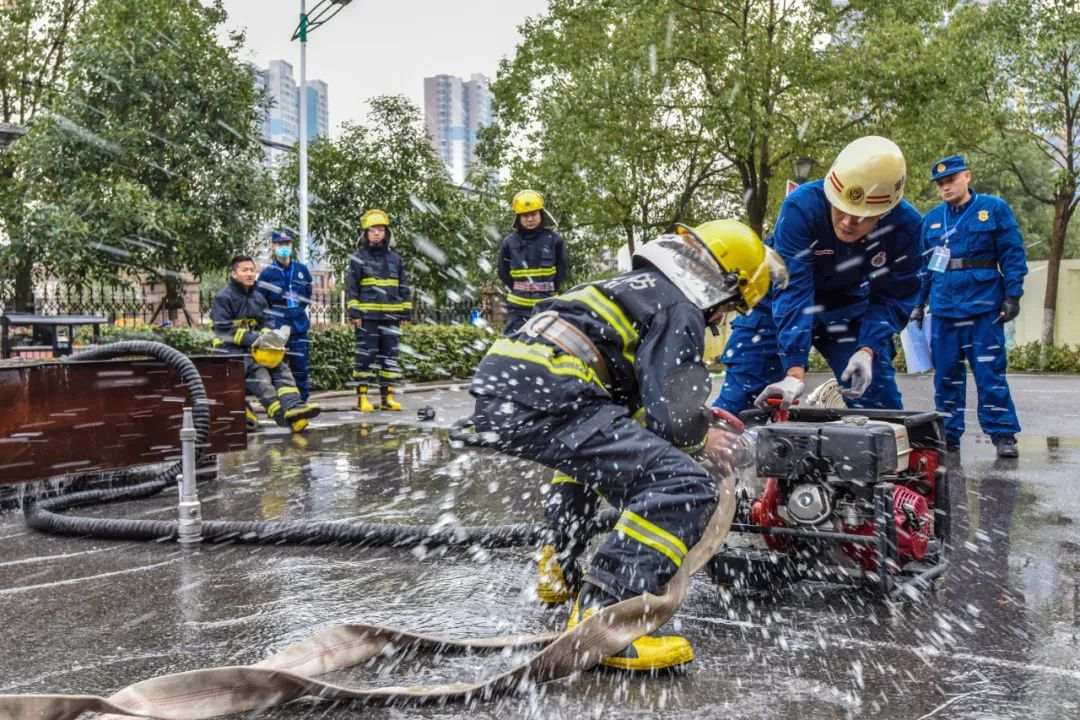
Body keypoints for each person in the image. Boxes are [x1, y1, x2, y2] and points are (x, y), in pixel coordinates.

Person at [471, 219, 787, 671]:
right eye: (731, 305)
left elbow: (632, 406)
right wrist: (705, 438)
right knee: (684, 485)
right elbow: (674, 418)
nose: (721, 317)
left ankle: (558, 564)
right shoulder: (680, 306)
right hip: (552, 390)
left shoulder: (637, 287)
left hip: (510, 385)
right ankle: (603, 623)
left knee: (590, 459)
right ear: (722, 280)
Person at [714, 135, 924, 413]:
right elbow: (793, 288)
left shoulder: (906, 228)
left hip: (846, 310)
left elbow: (894, 297)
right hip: (775, 303)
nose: (849, 222)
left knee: (879, 402)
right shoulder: (801, 208)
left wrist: (867, 348)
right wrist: (794, 372)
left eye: (863, 216)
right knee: (739, 401)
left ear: (886, 211)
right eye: (843, 209)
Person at [911, 155, 1026, 458]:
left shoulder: (993, 209)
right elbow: (924, 267)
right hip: (945, 308)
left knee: (990, 374)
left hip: (983, 306)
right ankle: (948, 436)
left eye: (950, 180)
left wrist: (1013, 295)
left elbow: (1012, 253)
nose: (945, 187)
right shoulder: (933, 219)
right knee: (946, 376)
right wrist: (918, 304)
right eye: (940, 183)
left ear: (967, 177)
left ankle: (1003, 434)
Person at [211, 255, 321, 433]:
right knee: (260, 375)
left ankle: (294, 408)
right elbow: (223, 330)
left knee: (281, 367)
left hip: (256, 349)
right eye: (244, 270)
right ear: (234, 274)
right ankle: (281, 415)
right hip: (230, 352)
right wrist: (254, 339)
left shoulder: (259, 298)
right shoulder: (223, 298)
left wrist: (270, 340)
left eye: (252, 270)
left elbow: (268, 322)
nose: (249, 273)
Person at [346, 209, 411, 413]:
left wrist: (405, 312)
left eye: (381, 229)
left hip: (391, 318)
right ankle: (363, 398)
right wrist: (354, 313)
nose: (377, 233)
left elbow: (404, 287)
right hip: (368, 318)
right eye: (372, 229)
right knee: (365, 357)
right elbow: (351, 288)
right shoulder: (357, 258)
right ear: (365, 233)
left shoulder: (396, 259)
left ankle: (387, 398)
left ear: (386, 233)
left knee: (390, 357)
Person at [497, 189, 569, 336]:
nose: (530, 219)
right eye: (525, 215)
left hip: (547, 306)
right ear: (518, 218)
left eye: (533, 214)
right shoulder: (509, 242)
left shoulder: (554, 240)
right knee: (512, 346)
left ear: (541, 215)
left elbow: (562, 269)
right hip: (517, 309)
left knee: (549, 348)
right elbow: (503, 272)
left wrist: (549, 289)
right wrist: (520, 288)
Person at [256, 228, 313, 402]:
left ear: (291, 245)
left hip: (298, 324)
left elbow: (307, 295)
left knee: (300, 366)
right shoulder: (267, 274)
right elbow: (261, 301)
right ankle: (282, 402)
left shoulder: (301, 270)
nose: (284, 247)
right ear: (273, 246)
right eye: (280, 244)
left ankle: (302, 401)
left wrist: (295, 308)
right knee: (277, 367)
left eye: (286, 243)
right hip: (277, 326)